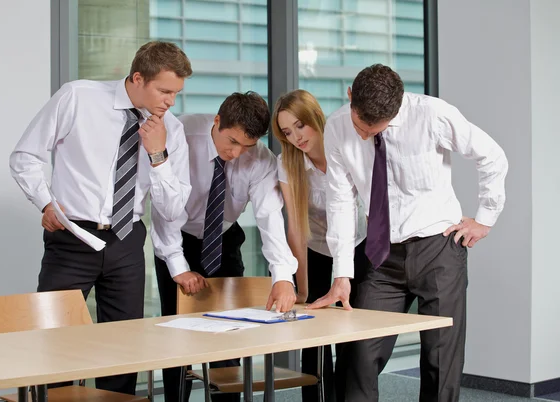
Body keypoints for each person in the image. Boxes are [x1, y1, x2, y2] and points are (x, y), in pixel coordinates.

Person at [307, 64, 508, 402]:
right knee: (358, 356)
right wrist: (342, 272)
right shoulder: (338, 128)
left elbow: (491, 156)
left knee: (440, 362)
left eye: (375, 128)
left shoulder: (433, 115)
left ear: (397, 108)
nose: (365, 135)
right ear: (350, 97)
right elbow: (341, 201)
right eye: (361, 125)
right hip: (380, 255)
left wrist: (485, 217)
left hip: (438, 250)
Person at [9, 41, 193, 395]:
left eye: (177, 93)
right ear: (138, 77)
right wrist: (46, 203)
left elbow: (172, 210)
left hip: (127, 242)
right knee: (56, 346)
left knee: (123, 349)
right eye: (165, 90)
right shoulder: (78, 97)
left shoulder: (171, 129)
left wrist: (158, 154)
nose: (171, 101)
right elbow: (25, 156)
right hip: (72, 238)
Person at [152, 91, 298, 402]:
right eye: (231, 141)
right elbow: (162, 207)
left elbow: (269, 217)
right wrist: (178, 265)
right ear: (217, 121)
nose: (236, 152)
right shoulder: (182, 136)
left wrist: (283, 276)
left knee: (230, 327)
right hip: (176, 236)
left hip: (224, 237)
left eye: (246, 145)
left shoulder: (259, 159)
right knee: (176, 332)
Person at [272, 89, 367, 402]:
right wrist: (302, 287)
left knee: (351, 329)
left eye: (300, 126)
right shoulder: (288, 163)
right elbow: (297, 229)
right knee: (313, 332)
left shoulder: (347, 147)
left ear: (315, 118)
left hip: (358, 245)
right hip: (316, 247)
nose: (296, 137)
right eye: (287, 132)